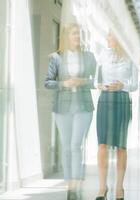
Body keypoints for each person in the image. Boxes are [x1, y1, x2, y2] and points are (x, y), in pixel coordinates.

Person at [45, 23, 96, 200]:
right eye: (74, 34)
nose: (77, 37)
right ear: (67, 37)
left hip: (83, 106)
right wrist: (64, 84)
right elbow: (48, 82)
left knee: (76, 145)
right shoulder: (56, 58)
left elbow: (96, 81)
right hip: (62, 106)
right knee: (67, 146)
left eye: (79, 34)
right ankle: (70, 184)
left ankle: (75, 185)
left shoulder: (89, 57)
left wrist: (82, 81)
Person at [95, 32, 138, 200]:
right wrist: (100, 85)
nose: (107, 39)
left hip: (122, 100)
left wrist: (122, 85)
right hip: (105, 99)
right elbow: (95, 79)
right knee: (102, 145)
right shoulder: (103, 55)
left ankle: (119, 187)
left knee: (121, 146)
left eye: (110, 36)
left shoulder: (130, 57)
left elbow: (134, 85)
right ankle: (102, 187)